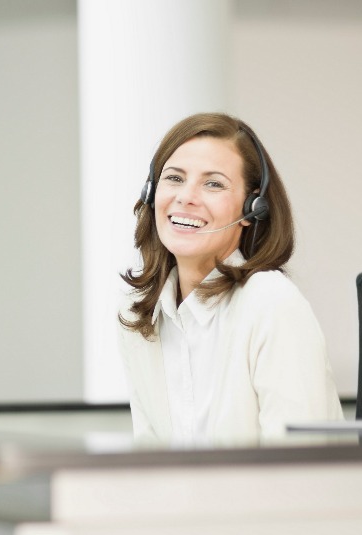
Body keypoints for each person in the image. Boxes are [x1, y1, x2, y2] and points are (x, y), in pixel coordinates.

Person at [117, 112, 343, 446]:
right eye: (175, 178)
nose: (186, 196)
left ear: (252, 208)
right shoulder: (138, 316)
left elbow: (300, 470)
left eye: (213, 184)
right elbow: (150, 458)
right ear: (151, 192)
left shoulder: (271, 304)